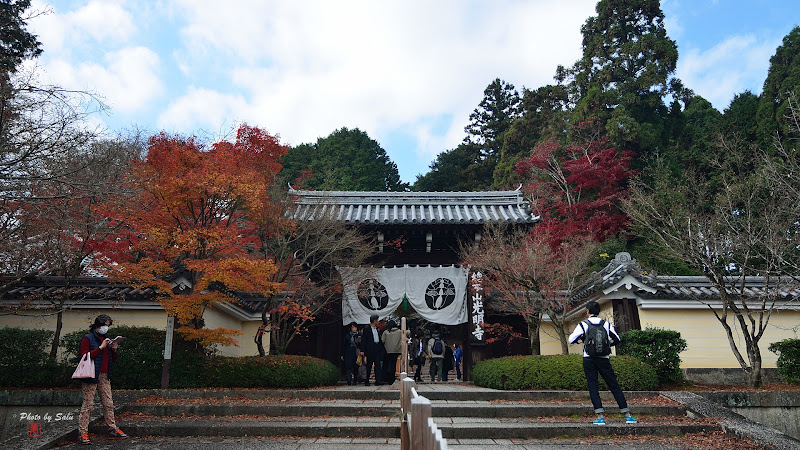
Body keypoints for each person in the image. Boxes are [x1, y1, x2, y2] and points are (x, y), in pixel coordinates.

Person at [568, 301, 637, 425]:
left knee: (593, 386)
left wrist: (583, 339)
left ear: (588, 311)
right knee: (614, 385)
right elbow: (617, 339)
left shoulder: (583, 324)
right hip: (604, 358)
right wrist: (607, 344)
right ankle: (627, 415)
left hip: (589, 358)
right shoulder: (606, 324)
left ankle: (600, 416)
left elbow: (571, 339)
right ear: (598, 312)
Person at [77, 314, 128, 445]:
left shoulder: (107, 339)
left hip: (104, 375)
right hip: (90, 374)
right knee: (88, 404)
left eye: (108, 326)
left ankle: (112, 428)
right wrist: (100, 348)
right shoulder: (87, 338)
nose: (106, 328)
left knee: (108, 403)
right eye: (105, 325)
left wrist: (114, 350)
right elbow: (84, 357)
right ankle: (82, 432)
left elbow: (111, 359)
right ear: (98, 325)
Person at [360, 314, 385, 386]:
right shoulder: (367, 329)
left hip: (377, 348)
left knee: (377, 365)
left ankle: (378, 380)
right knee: (369, 365)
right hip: (370, 349)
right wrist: (363, 350)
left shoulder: (377, 329)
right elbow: (364, 340)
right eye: (377, 320)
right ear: (374, 321)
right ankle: (367, 380)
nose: (378, 321)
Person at [381, 320, 403, 384]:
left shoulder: (386, 332)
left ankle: (385, 378)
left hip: (387, 351)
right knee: (393, 365)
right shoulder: (399, 332)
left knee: (386, 365)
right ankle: (392, 379)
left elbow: (382, 340)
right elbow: (407, 332)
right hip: (396, 351)